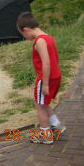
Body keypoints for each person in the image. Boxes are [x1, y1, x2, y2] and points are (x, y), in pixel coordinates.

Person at [16, 11, 66, 144]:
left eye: (23, 34)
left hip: (46, 78)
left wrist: (45, 84)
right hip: (56, 75)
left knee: (39, 105)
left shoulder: (40, 41)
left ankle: (45, 134)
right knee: (44, 103)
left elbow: (46, 63)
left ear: (26, 29)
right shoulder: (48, 37)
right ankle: (56, 125)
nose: (25, 37)